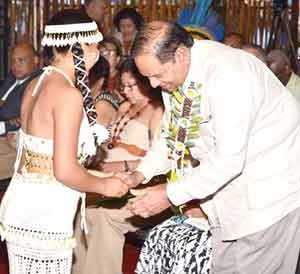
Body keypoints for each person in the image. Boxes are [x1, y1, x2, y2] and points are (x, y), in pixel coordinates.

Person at [119, 21, 300, 274]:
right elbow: (173, 133)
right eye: (147, 77)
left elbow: (229, 160)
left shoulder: (229, 75)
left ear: (180, 54)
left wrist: (168, 195)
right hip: (228, 203)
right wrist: (141, 173)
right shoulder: (177, 75)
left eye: (157, 75)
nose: (153, 85)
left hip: (267, 198)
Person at [0, 9, 128, 274]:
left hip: (24, 206)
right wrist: (104, 186)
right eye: (94, 43)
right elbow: (65, 170)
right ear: (78, 46)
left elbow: (43, 159)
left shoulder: (36, 83)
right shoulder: (67, 95)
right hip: (44, 214)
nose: (98, 51)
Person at [72, 58, 164, 274]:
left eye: (132, 86)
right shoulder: (124, 106)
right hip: (109, 175)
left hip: (141, 183)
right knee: (79, 205)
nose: (126, 91)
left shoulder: (158, 111)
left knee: (100, 215)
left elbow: (160, 161)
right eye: (123, 86)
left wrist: (119, 166)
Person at [0, 42, 40, 180]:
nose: (15, 66)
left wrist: (4, 126)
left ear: (35, 60)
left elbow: (26, 117)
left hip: (12, 141)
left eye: (21, 60)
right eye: (13, 61)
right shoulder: (11, 78)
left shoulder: (37, 83)